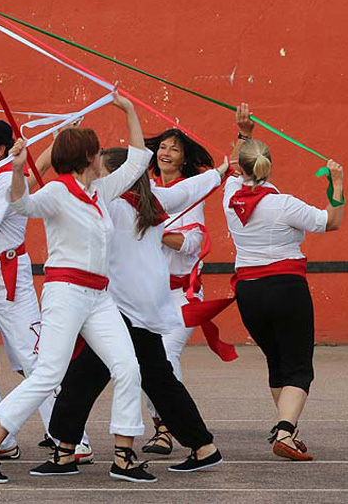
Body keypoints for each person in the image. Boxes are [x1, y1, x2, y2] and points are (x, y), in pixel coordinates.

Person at [0, 88, 156, 484]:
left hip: (98, 297)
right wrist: (18, 168)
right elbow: (22, 205)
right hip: (66, 292)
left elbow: (138, 162)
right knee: (48, 374)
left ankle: (124, 456)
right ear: (88, 157)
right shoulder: (57, 192)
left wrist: (130, 112)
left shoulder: (98, 191)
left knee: (126, 367)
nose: (103, 156)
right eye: (98, 151)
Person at [39, 147, 229, 478]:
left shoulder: (107, 204)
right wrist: (220, 172)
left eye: (101, 172)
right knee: (149, 377)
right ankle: (202, 446)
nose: (96, 175)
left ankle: (66, 451)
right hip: (143, 304)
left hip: (120, 306)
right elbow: (193, 188)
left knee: (88, 377)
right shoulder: (156, 198)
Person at [0, 117, 93, 463]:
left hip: (8, 280)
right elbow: (28, 174)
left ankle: (73, 439)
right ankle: (1, 438)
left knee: (36, 361)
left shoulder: (1, 179)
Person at [225, 103, 344, 461]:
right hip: (285, 288)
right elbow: (332, 221)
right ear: (269, 167)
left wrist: (243, 133)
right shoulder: (285, 204)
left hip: (248, 291)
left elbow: (233, 164)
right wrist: (337, 182)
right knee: (298, 366)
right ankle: (286, 432)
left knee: (276, 361)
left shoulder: (230, 196)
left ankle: (286, 426)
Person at [140, 129, 216, 454]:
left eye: (174, 149)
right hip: (146, 295)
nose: (166, 152)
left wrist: (156, 231)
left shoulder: (189, 196)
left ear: (185, 158)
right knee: (145, 362)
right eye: (162, 147)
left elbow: (191, 244)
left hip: (180, 296)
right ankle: (163, 426)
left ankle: (166, 428)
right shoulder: (147, 190)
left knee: (165, 356)